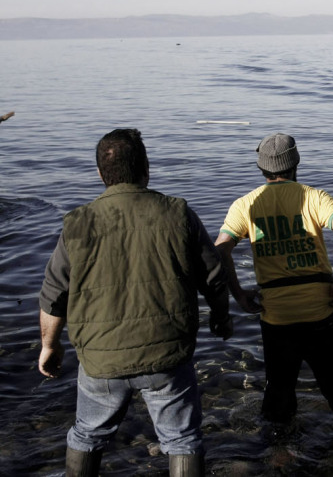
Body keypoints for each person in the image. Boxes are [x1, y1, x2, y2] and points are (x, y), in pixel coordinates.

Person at [38, 128, 231, 476]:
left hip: (100, 358)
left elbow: (53, 296)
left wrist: (49, 346)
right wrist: (221, 317)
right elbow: (213, 276)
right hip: (166, 356)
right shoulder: (178, 213)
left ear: (100, 174)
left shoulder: (77, 222)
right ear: (146, 169)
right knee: (182, 440)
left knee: (86, 434)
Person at [214, 133, 333, 442]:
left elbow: (220, 250)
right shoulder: (314, 196)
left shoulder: (245, 204)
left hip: (277, 317)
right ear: (295, 163)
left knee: (280, 394)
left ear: (261, 167)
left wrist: (239, 294)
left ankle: (280, 455)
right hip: (322, 310)